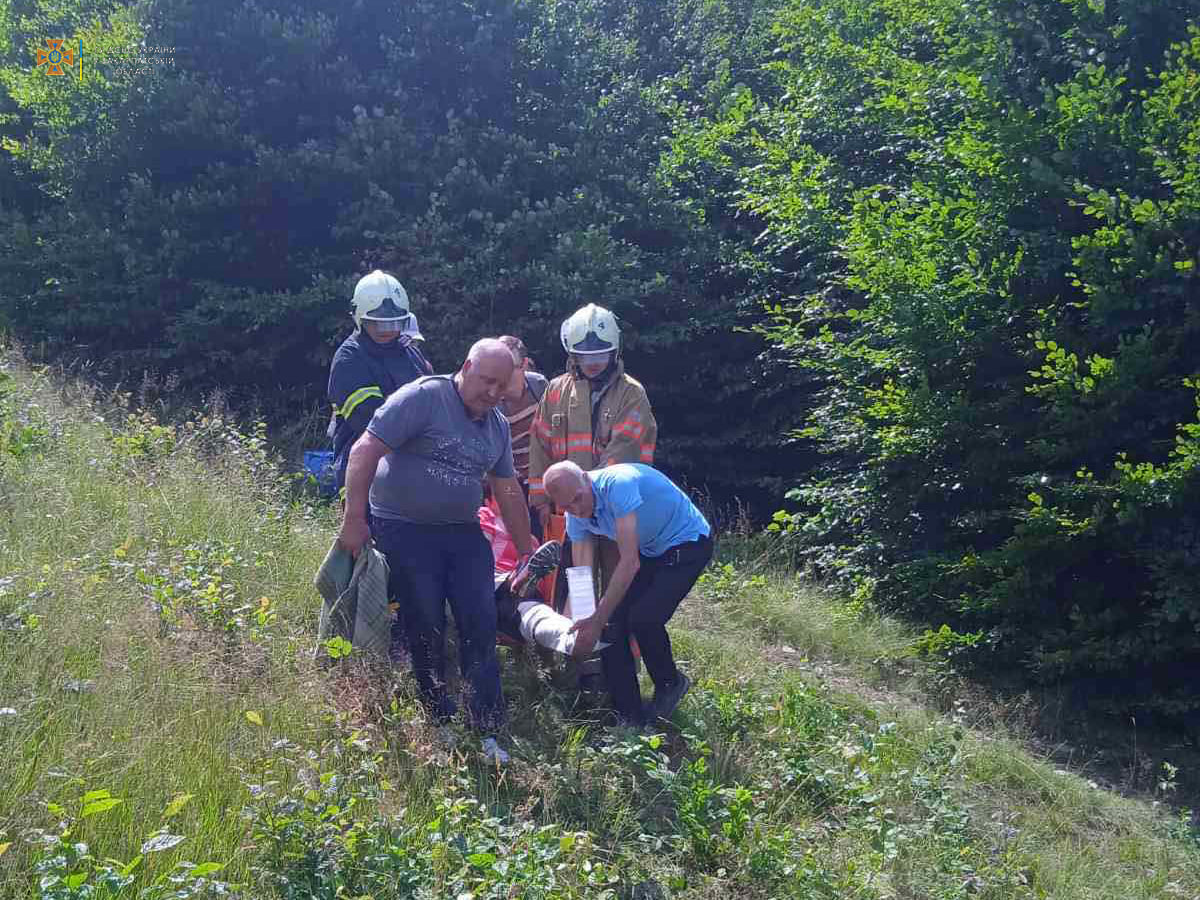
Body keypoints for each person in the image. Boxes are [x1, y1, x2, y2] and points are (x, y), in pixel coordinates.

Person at [337, 339, 533, 761]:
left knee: (480, 622)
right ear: (466, 367)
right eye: (487, 382)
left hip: (461, 531)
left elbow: (507, 488)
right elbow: (365, 449)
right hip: (403, 526)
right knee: (424, 622)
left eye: (503, 386)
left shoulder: (496, 425)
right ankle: (440, 720)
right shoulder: (424, 397)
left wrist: (525, 549)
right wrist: (354, 519)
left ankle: (487, 731)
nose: (495, 393)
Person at [527, 303, 657, 690]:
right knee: (572, 586)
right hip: (568, 514)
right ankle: (576, 665)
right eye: (585, 355)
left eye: (600, 354)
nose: (593, 362)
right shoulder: (555, 392)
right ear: (573, 354)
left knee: (621, 589)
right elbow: (540, 446)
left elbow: (626, 450)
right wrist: (543, 499)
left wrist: (592, 500)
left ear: (614, 351)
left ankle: (622, 670)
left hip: (615, 514)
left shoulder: (632, 394)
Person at [543, 460, 713, 728]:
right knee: (611, 628)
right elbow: (582, 576)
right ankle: (629, 716)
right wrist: (580, 626)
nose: (578, 510)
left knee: (644, 619)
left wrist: (597, 618)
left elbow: (630, 562)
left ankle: (670, 683)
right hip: (654, 552)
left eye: (578, 499)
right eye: (567, 507)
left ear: (586, 478)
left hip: (688, 544)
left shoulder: (618, 485)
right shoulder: (574, 514)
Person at [327, 270, 432, 493]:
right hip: (365, 474)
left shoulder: (409, 353)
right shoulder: (349, 359)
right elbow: (371, 421)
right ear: (359, 318)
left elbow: (433, 401)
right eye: (378, 324)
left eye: (395, 323)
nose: (388, 331)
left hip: (414, 469)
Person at [497, 335, 548, 539]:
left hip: (546, 480)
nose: (504, 376)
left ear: (525, 365)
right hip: (514, 485)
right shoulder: (491, 397)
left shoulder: (540, 386)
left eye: (511, 368)